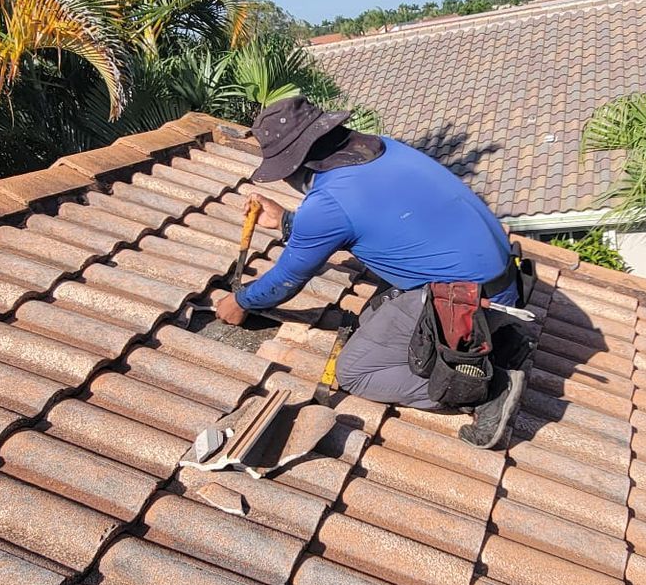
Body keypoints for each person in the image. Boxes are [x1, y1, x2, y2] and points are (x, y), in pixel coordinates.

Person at [211, 98, 530, 448]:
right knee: (372, 318)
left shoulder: (329, 204)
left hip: (464, 300)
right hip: (504, 279)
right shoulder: (382, 148)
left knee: (356, 372)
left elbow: (285, 283)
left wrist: (240, 301)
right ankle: (494, 340)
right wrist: (289, 222)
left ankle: (483, 388)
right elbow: (367, 216)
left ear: (294, 164)